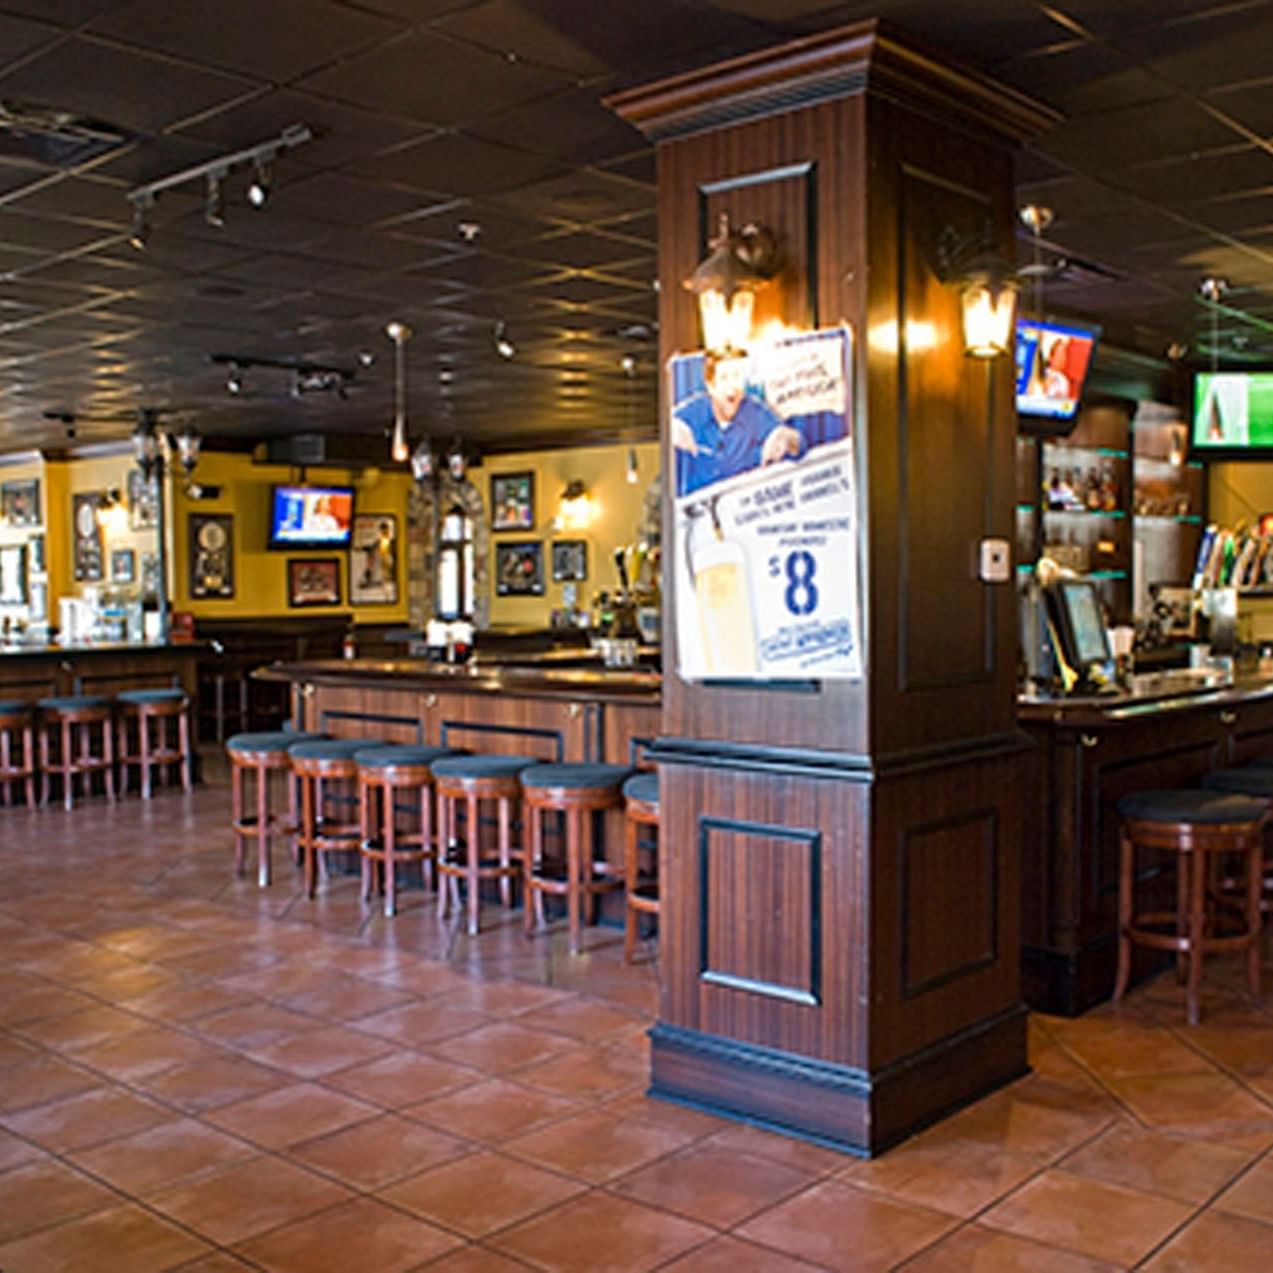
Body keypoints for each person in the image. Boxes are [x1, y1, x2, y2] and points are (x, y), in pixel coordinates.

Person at [673, 351, 803, 497]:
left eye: (737, 376)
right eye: (724, 378)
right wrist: (671, 431)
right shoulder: (693, 412)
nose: (732, 385)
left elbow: (795, 443)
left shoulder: (755, 412)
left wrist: (789, 438)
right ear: (711, 386)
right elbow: (668, 427)